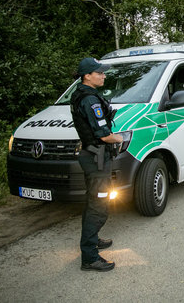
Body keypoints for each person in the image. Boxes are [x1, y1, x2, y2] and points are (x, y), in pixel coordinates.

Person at [70, 57, 123, 272]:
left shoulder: (80, 95)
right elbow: (103, 135)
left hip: (91, 154)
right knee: (99, 206)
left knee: (93, 201)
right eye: (99, 73)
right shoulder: (90, 100)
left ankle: (92, 240)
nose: (103, 75)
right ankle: (90, 257)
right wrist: (119, 138)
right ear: (87, 76)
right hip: (97, 157)